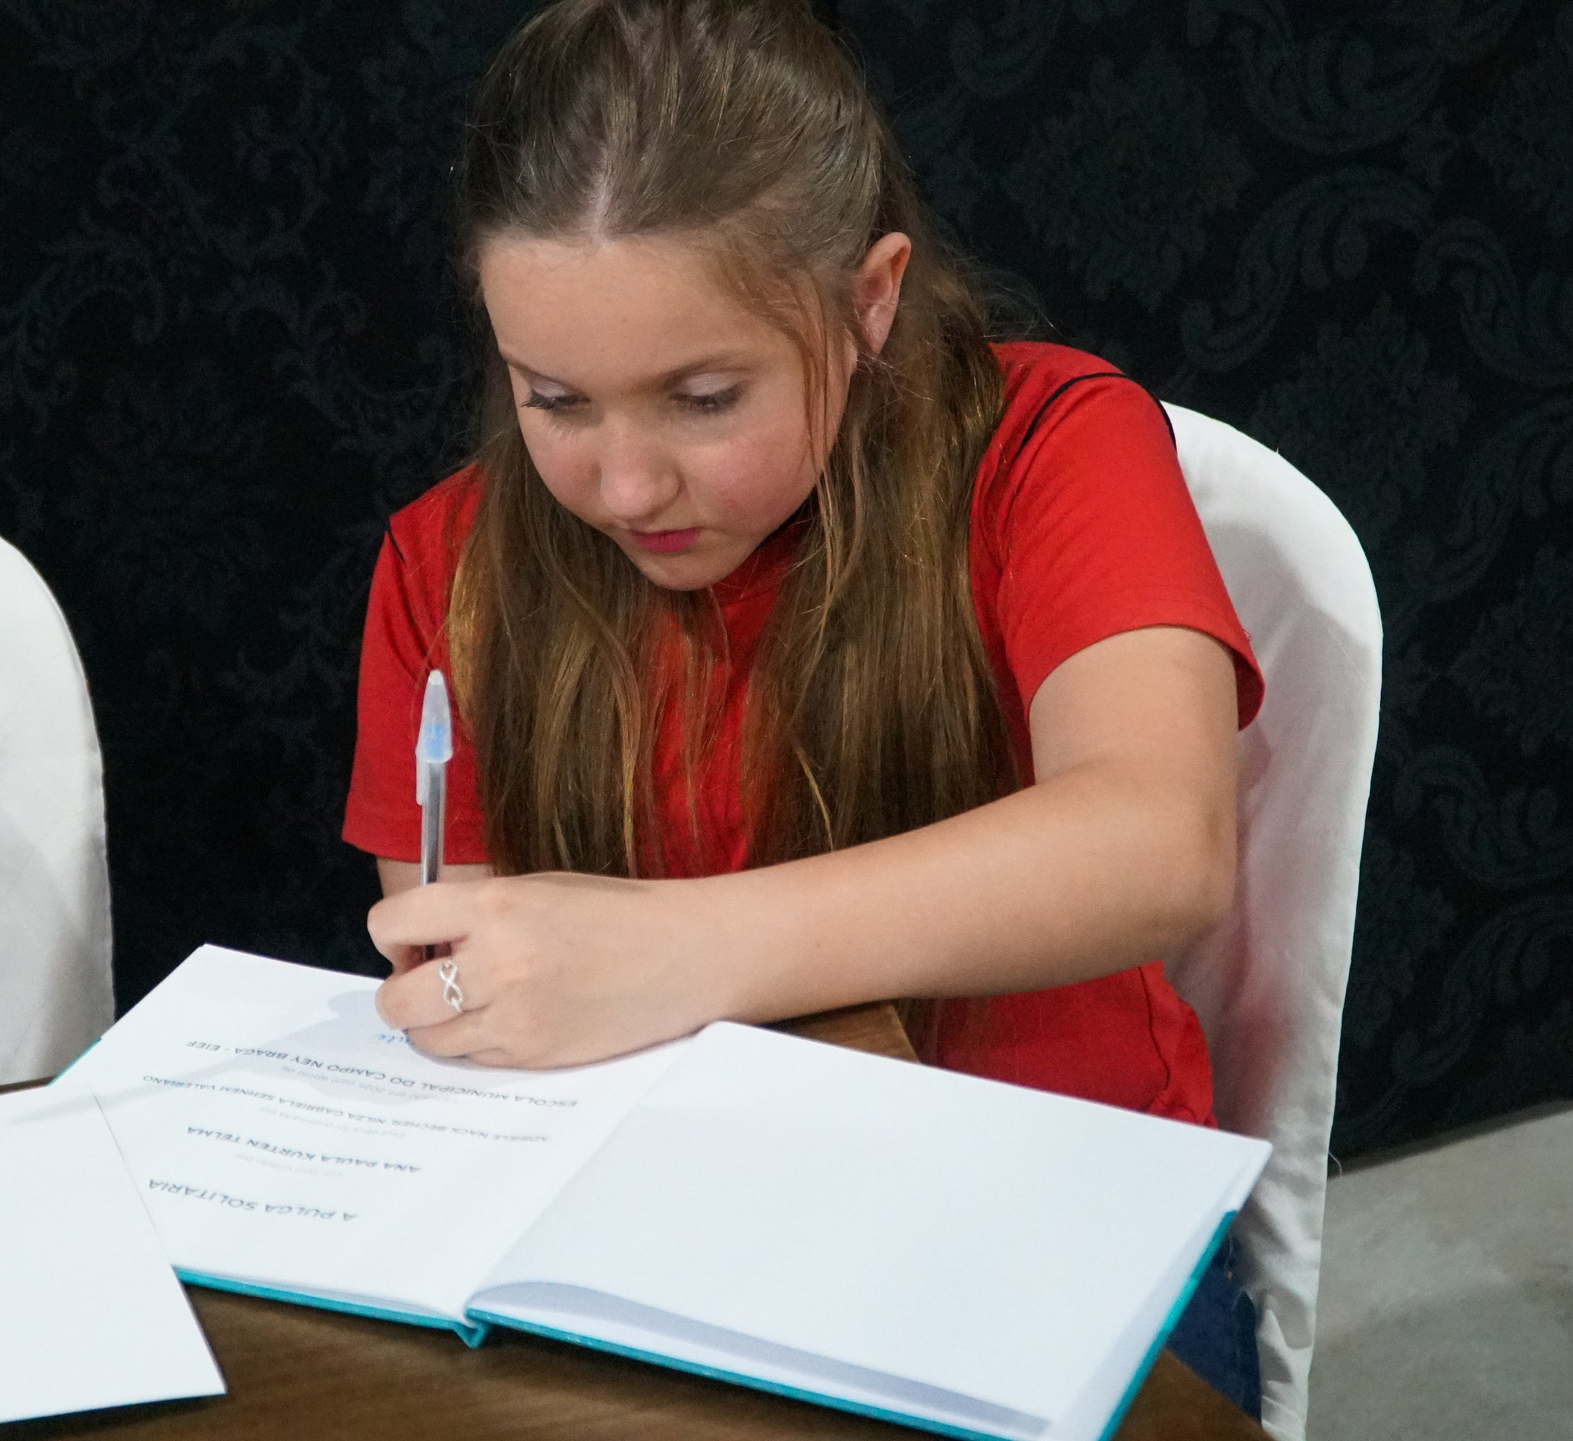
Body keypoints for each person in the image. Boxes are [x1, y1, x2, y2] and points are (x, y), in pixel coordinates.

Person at [341, 0, 1264, 1413]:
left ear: (871, 297)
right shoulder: (447, 562)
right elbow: (476, 990)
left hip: (1051, 1218)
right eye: (556, 399)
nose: (629, 486)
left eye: (706, 398)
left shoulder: (1050, 445)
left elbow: (1158, 839)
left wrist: (678, 953)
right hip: (646, 1261)